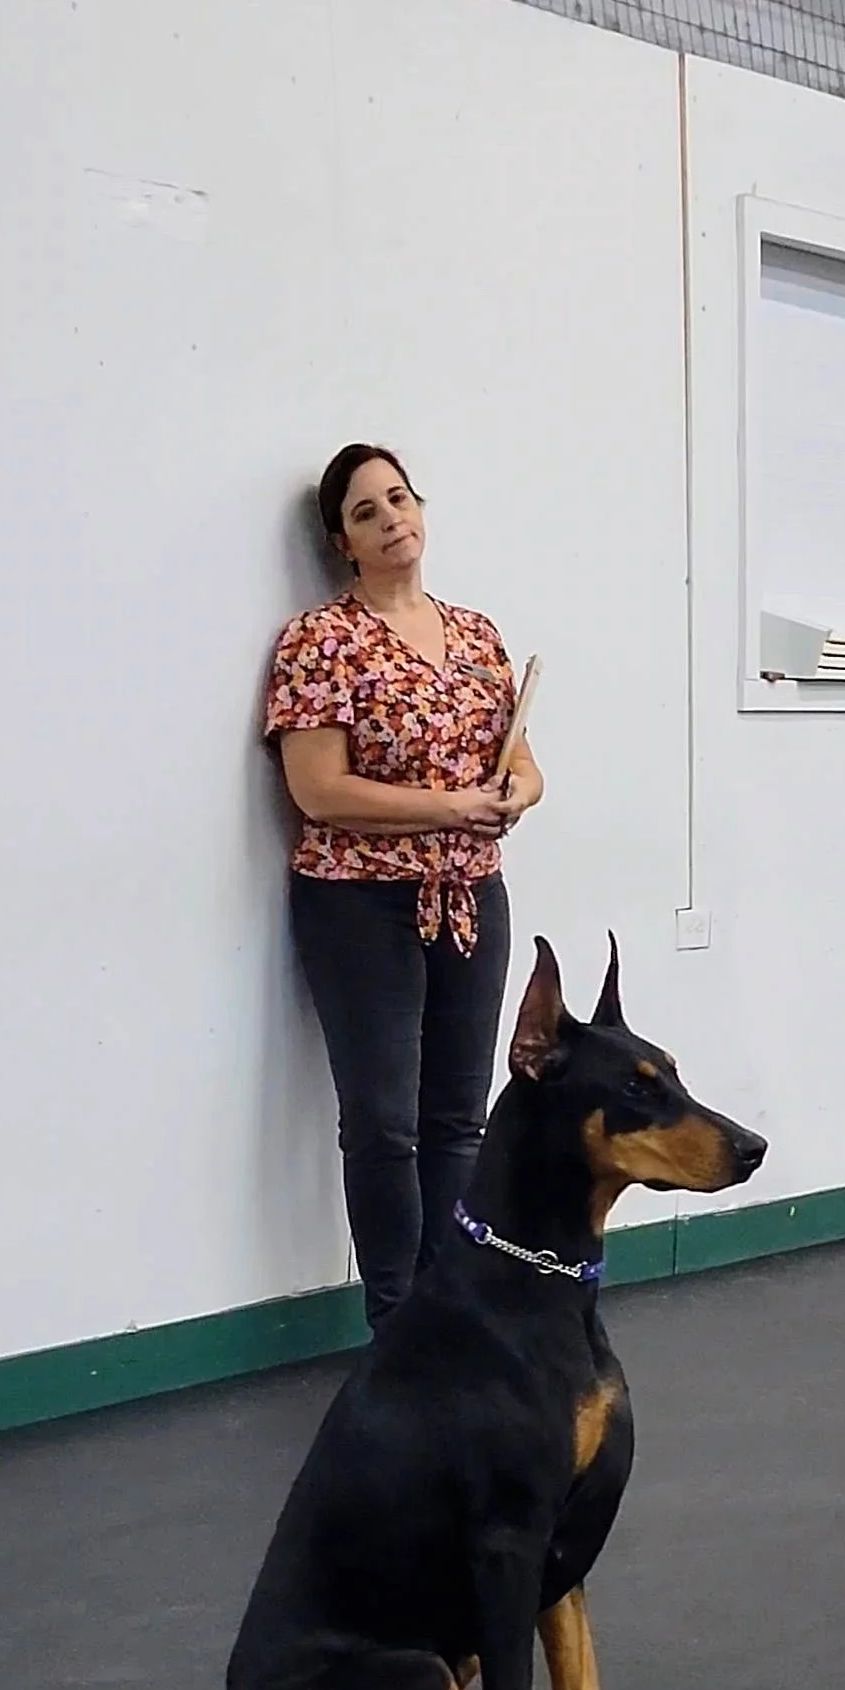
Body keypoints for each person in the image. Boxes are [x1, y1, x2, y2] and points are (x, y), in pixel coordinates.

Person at [264, 443, 544, 1326]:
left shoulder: (477, 635)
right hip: (360, 904)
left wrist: (511, 797)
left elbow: (525, 766)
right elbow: (319, 790)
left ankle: (447, 1311)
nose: (392, 521)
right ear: (343, 542)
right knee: (385, 1124)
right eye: (365, 513)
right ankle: (396, 1322)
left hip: (469, 898)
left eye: (399, 499)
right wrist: (452, 805)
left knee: (460, 1117)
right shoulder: (321, 641)